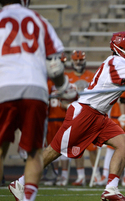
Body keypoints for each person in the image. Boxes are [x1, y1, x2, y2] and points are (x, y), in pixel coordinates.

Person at [8, 31, 125, 201]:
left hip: (99, 114)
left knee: (123, 144)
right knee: (54, 151)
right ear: (122, 49)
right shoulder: (117, 62)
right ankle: (21, 183)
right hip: (85, 112)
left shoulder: (120, 62)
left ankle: (111, 189)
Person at [0, 0, 77, 201]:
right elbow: (55, 67)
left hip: (2, 87)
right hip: (35, 88)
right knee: (34, 152)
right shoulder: (39, 21)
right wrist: (65, 88)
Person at [66, 50, 101, 186]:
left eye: (80, 60)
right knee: (76, 147)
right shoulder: (67, 77)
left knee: (92, 147)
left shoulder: (91, 76)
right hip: (74, 115)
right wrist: (66, 104)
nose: (78, 63)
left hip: (88, 114)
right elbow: (62, 97)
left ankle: (96, 175)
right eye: (76, 60)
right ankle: (81, 176)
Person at [45, 52, 71, 187]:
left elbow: (73, 100)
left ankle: (64, 176)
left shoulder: (67, 81)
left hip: (64, 118)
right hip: (51, 119)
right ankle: (53, 174)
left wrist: (66, 105)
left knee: (65, 148)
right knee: (51, 148)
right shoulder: (49, 83)